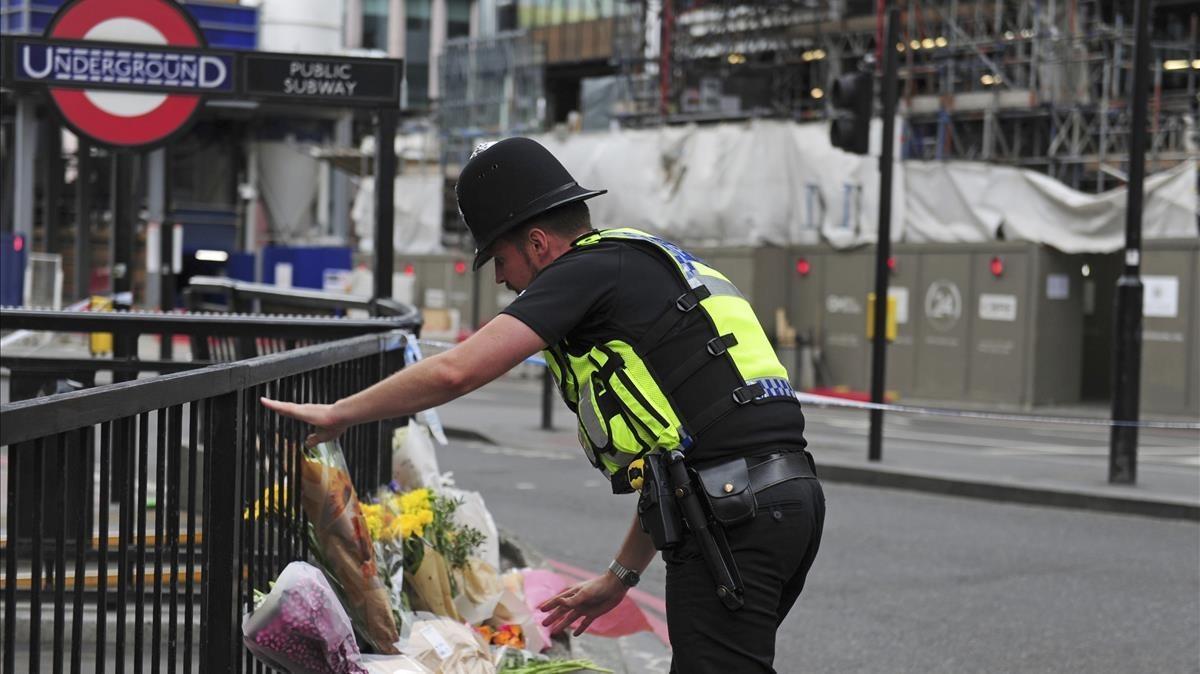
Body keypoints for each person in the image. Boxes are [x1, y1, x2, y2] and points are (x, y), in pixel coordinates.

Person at [262, 137, 824, 673]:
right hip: (773, 502)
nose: (503, 279)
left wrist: (339, 412)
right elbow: (679, 457)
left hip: (739, 515)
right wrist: (620, 576)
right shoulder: (637, 262)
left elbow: (458, 369)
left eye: (500, 259)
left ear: (537, 242)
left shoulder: (582, 271)